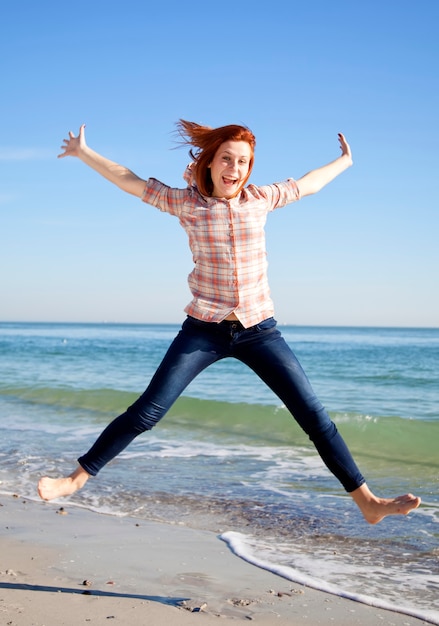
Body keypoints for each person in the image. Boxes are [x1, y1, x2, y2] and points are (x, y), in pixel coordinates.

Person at [38, 120, 421, 524]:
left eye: (242, 162)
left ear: (249, 168)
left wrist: (344, 162)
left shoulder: (260, 199)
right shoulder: (187, 203)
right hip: (204, 329)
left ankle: (367, 501)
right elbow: (130, 182)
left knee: (314, 416)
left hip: (260, 330)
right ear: (210, 162)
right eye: (226, 159)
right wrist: (84, 153)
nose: (234, 169)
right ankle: (76, 478)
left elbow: (309, 184)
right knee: (147, 411)